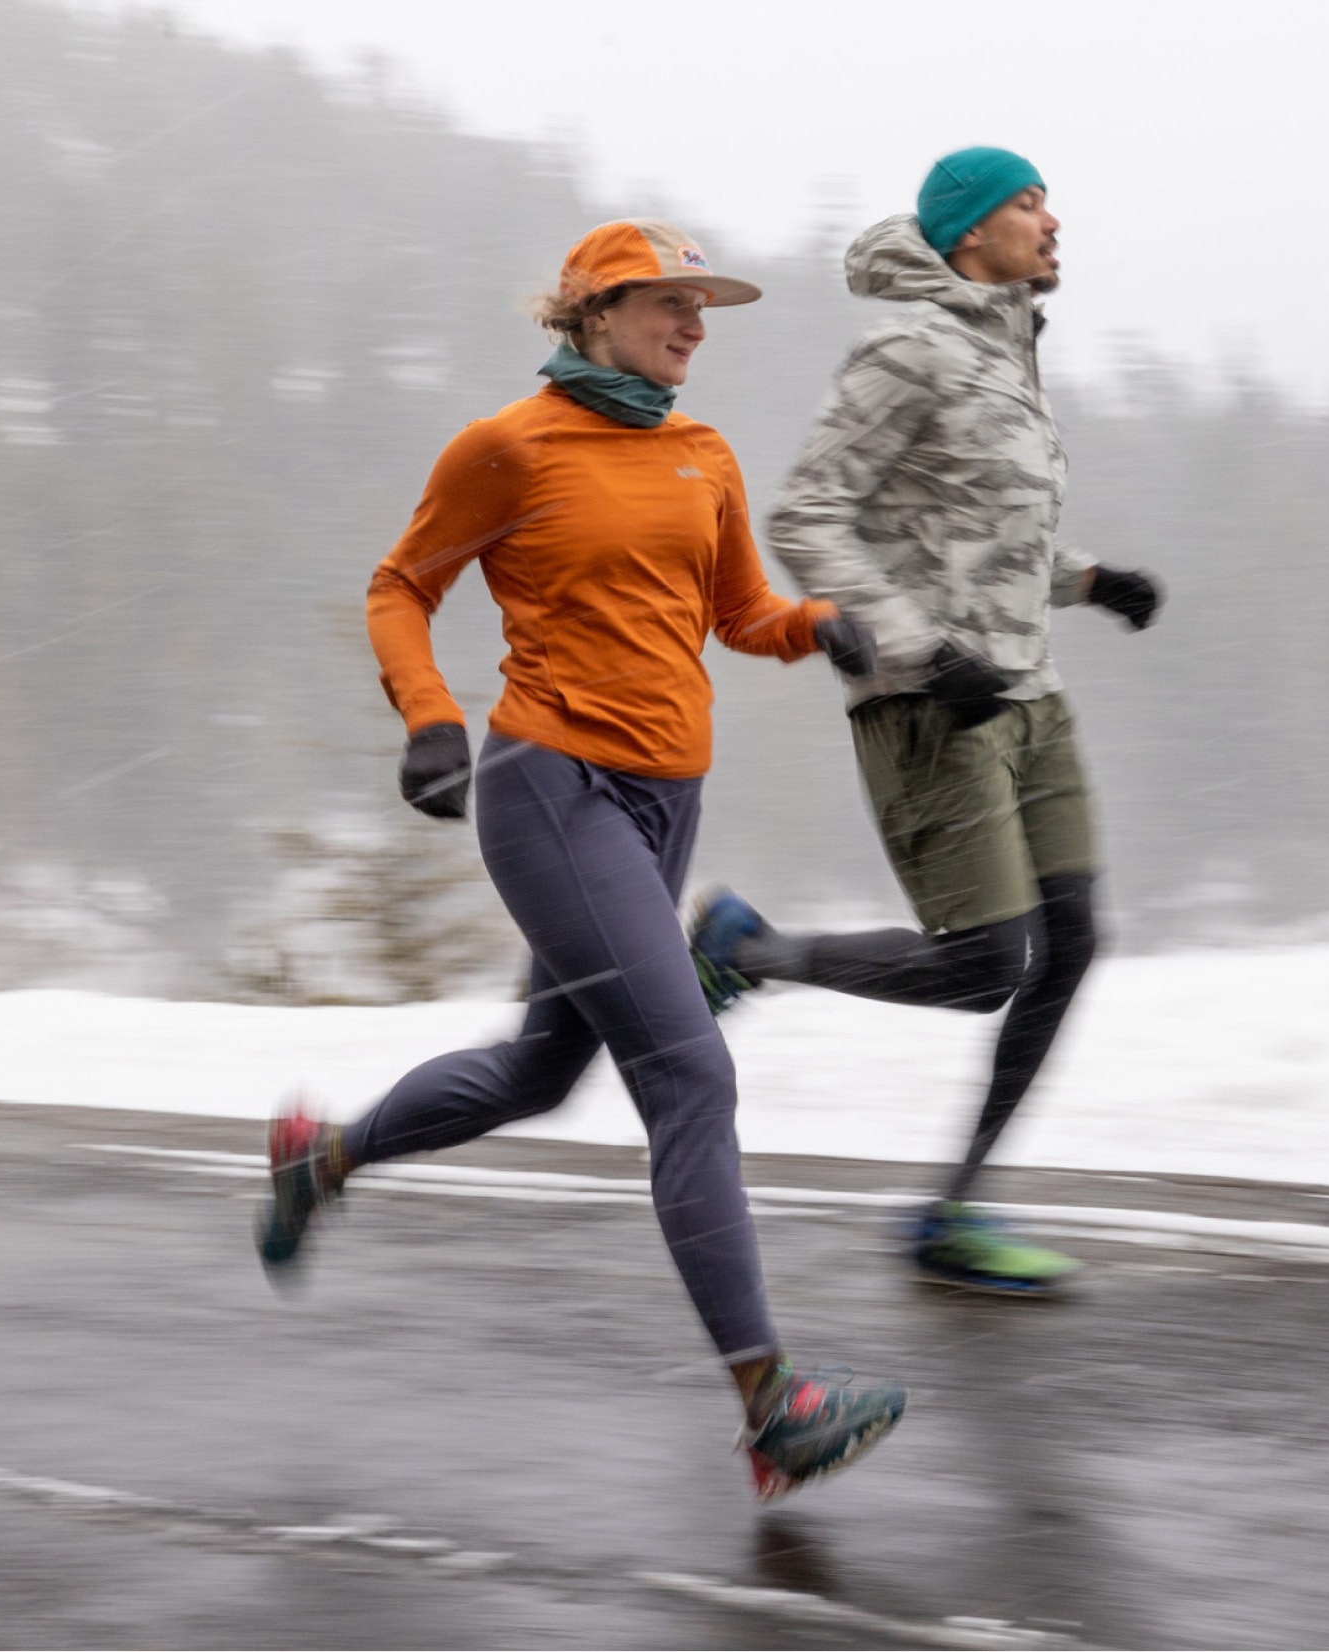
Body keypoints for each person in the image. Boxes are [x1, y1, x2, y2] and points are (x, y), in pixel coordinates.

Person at [254, 219, 904, 1500]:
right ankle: (771, 1403)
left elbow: (734, 613)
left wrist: (816, 622)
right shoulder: (508, 448)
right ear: (595, 314)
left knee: (540, 1070)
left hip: (667, 798)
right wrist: (431, 719)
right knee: (686, 1070)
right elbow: (401, 584)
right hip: (553, 785)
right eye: (670, 303)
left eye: (702, 306)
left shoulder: (700, 450)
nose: (694, 325)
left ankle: (319, 1158)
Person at [689, 150, 1163, 1296]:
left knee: (1073, 939)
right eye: (1026, 202)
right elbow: (807, 513)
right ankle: (742, 951)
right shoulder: (907, 346)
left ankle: (954, 1209)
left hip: (1026, 696)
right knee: (985, 965)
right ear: (966, 234)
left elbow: (972, 529)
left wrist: (1088, 580)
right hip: (928, 705)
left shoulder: (1004, 348)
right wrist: (912, 645)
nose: (1051, 219)